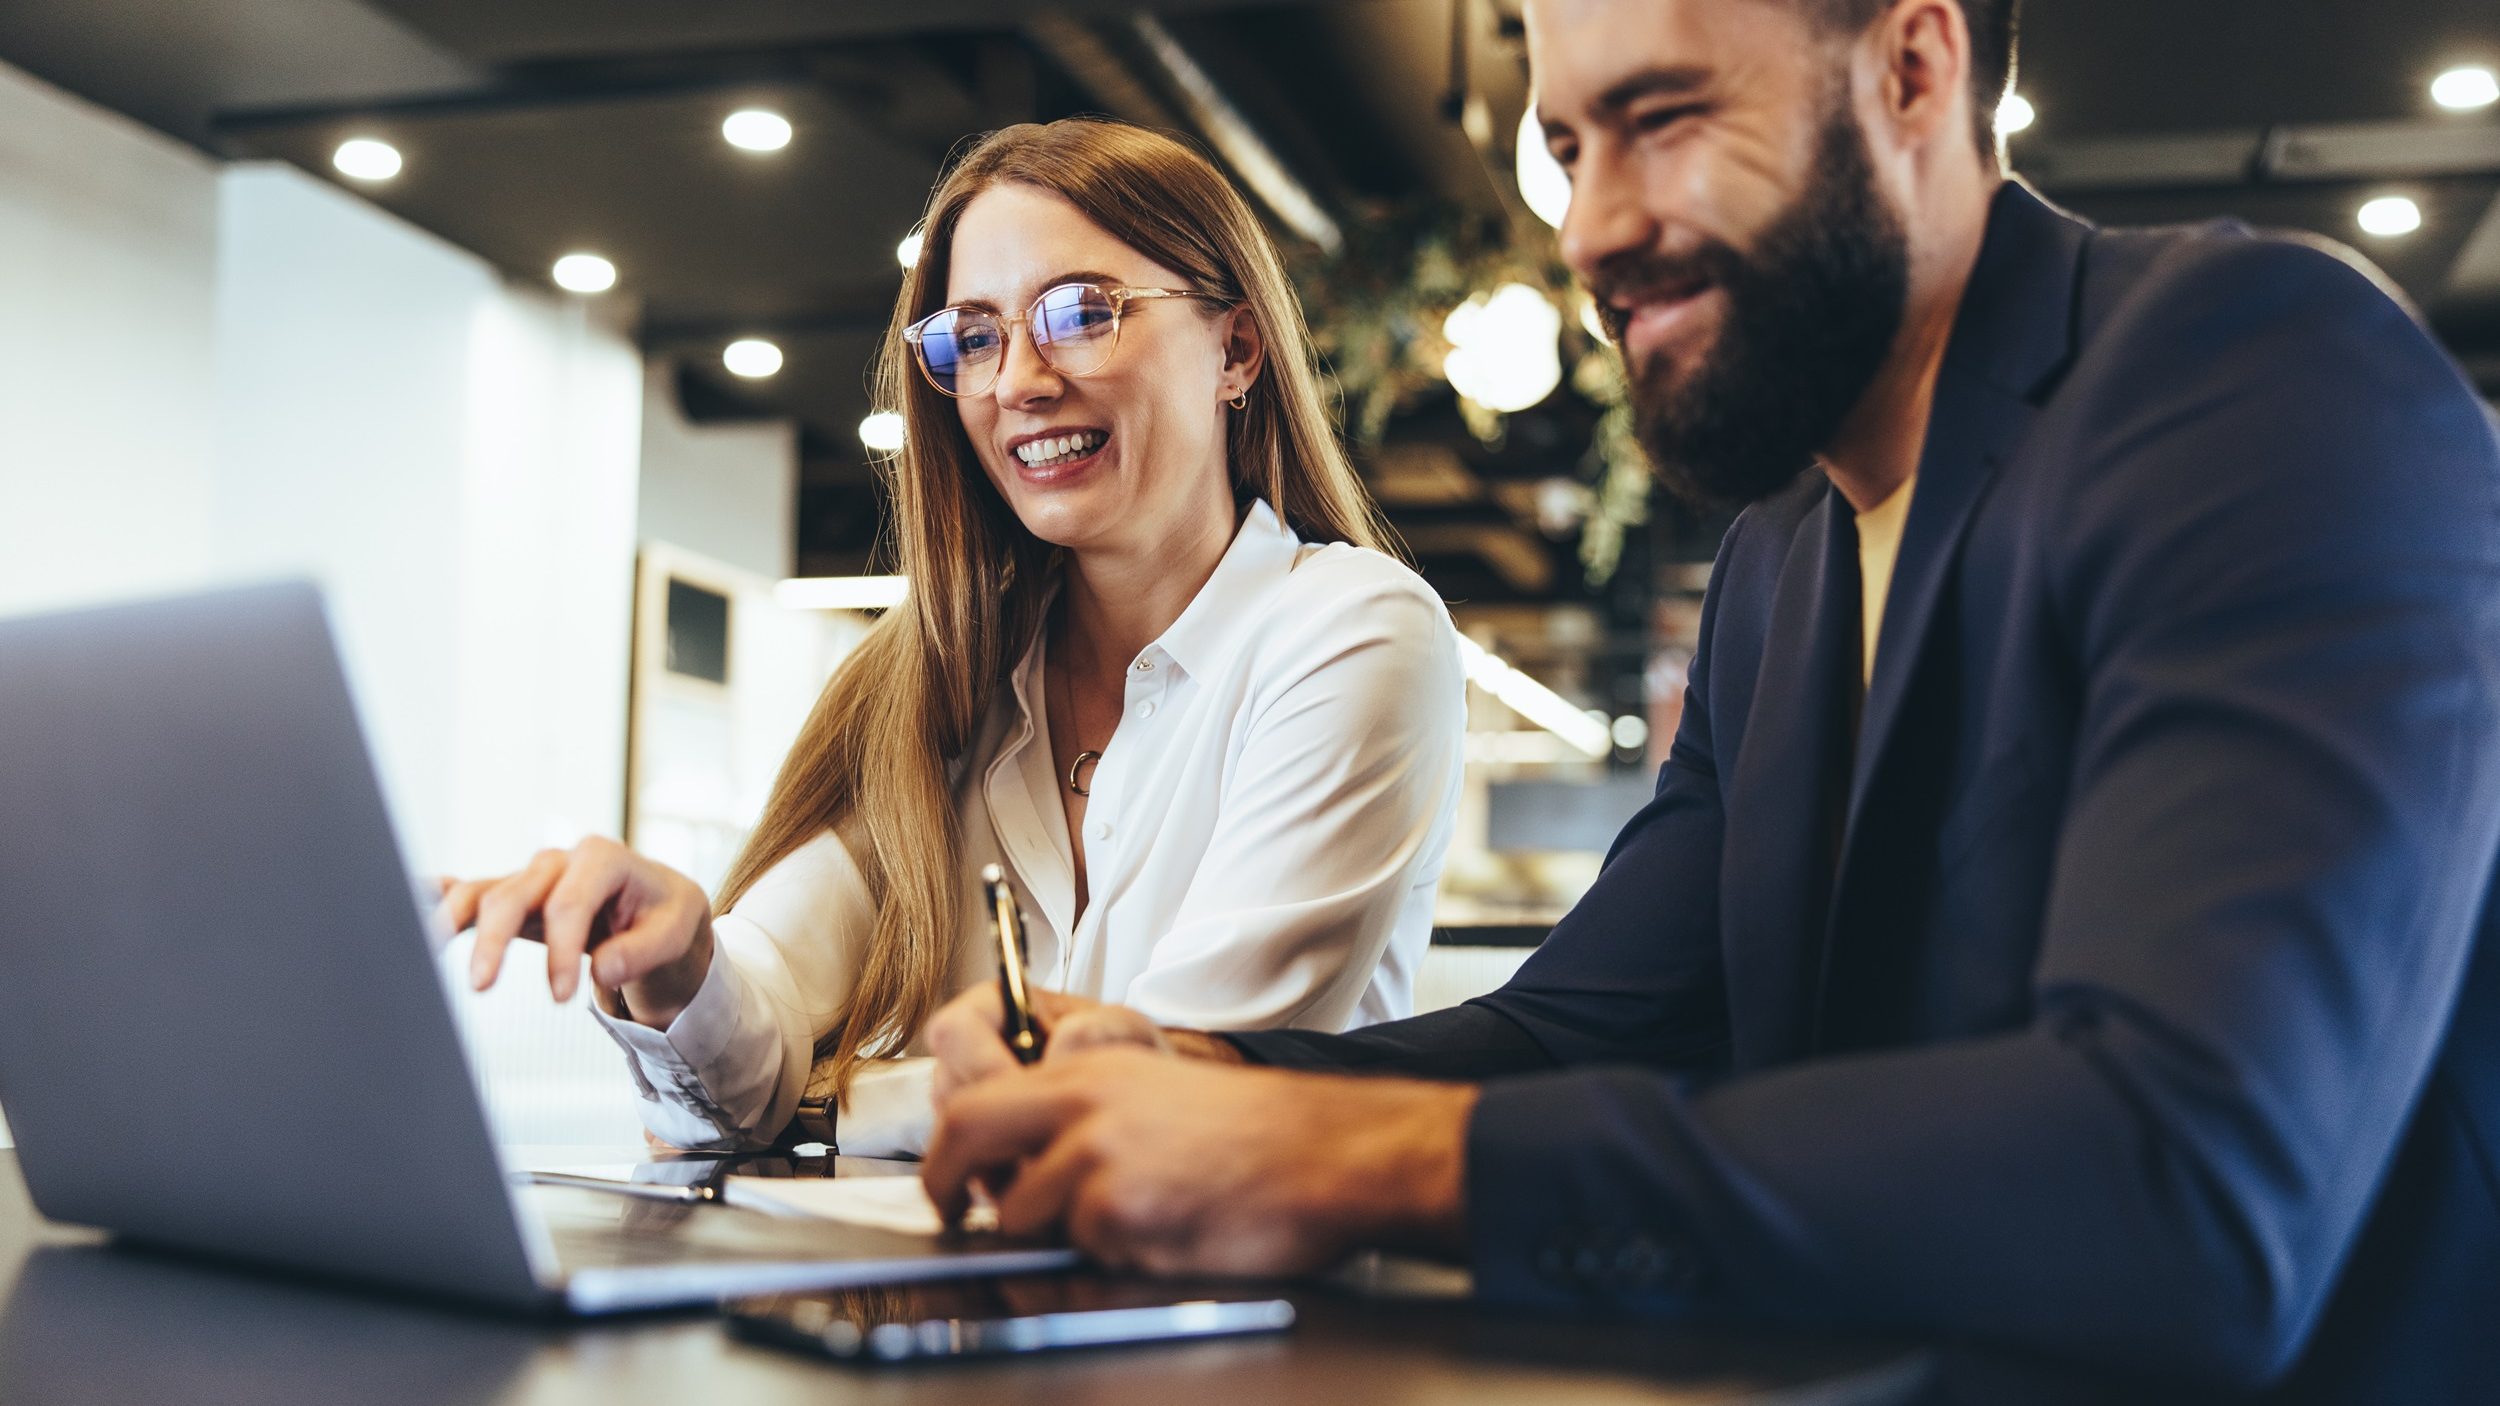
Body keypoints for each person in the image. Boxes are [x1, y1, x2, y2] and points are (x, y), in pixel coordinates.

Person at [915, 1, 2500, 1399]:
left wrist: (1364, 1158)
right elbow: (1585, 1027)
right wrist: (1206, 1073)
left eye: (1662, 120)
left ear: (1912, 66)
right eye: (1564, 150)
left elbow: (2189, 1183)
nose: (1594, 227)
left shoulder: (2260, 375)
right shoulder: (1783, 555)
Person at [438, 118, 1466, 1156]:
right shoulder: (942, 680)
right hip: (965, 1307)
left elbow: (1171, 1083)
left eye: (1079, 312)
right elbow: (756, 1023)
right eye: (973, 336)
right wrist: (680, 962)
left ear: (1234, 348)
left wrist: (829, 1104)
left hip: (1261, 1310)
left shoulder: (1353, 632)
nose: (1018, 378)